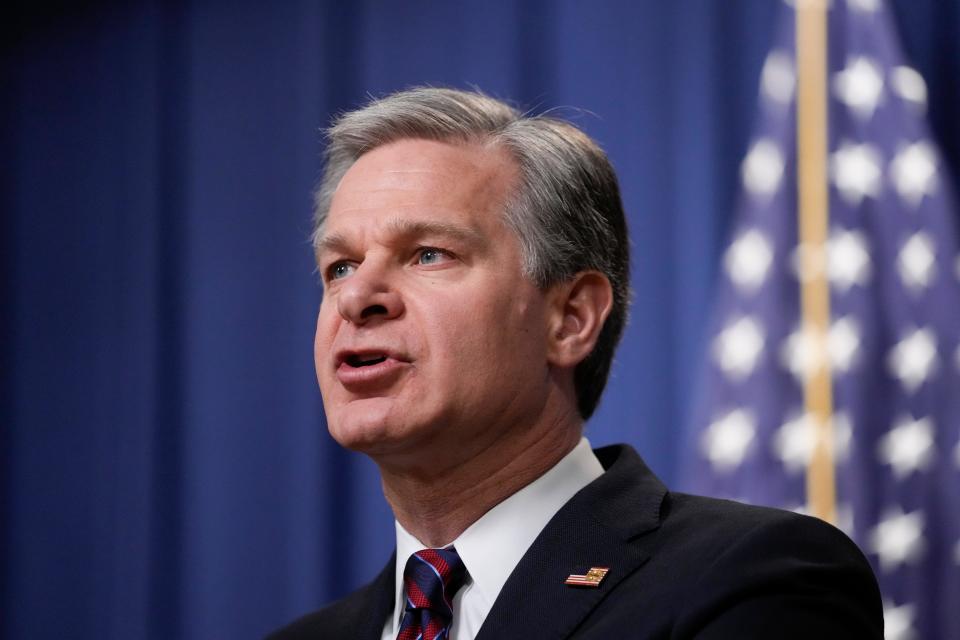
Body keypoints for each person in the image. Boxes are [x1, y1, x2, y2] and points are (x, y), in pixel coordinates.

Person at [268, 87, 882, 639]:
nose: (355, 297)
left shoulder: (755, 580)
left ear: (570, 318)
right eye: (340, 266)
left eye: (429, 254)